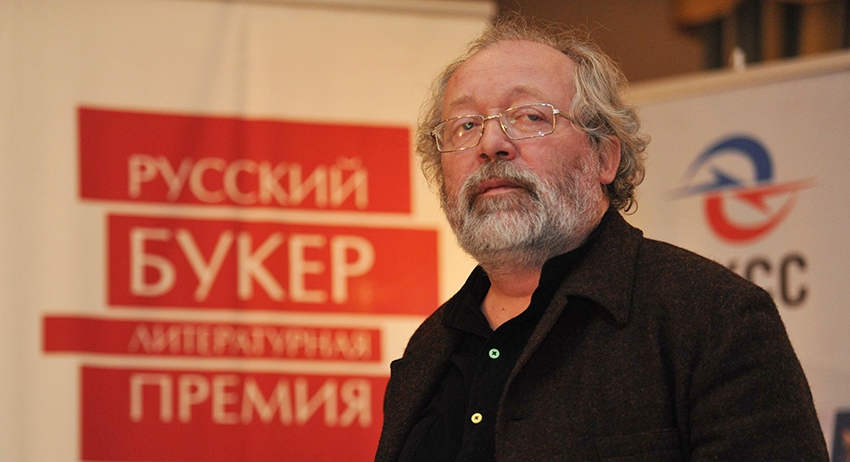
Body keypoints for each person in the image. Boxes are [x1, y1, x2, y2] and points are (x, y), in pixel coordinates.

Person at [375, 13, 828, 462]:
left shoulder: (714, 317)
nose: (490, 143)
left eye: (529, 116)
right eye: (466, 125)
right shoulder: (426, 351)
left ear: (605, 158)